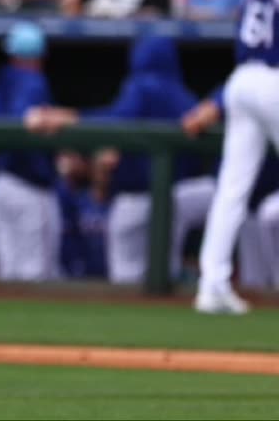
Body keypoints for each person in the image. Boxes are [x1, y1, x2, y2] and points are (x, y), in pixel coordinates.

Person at [32, 37, 216, 285]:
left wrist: (69, 118)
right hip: (174, 200)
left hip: (133, 200)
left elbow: (117, 121)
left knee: (127, 283)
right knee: (164, 280)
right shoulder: (186, 97)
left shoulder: (142, 86)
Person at [191, 0, 279, 314]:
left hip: (241, 80)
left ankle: (211, 285)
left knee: (231, 189)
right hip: (274, 80)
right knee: (232, 189)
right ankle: (212, 285)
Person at [0, 22, 61, 282]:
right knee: (35, 274)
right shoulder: (33, 81)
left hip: (0, 184)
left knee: (8, 272)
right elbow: (26, 120)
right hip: (29, 187)